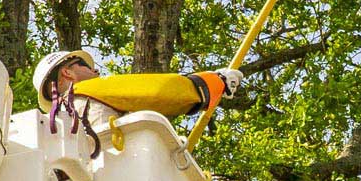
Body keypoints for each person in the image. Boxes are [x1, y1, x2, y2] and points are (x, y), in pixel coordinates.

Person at [32, 50, 242, 120]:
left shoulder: (53, 123)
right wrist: (212, 83)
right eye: (85, 65)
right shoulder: (87, 91)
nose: (95, 70)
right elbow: (159, 91)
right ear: (67, 72)